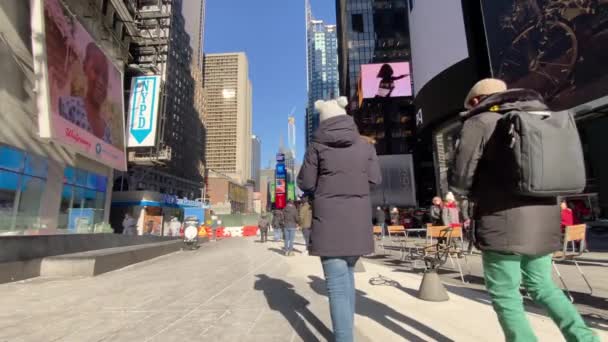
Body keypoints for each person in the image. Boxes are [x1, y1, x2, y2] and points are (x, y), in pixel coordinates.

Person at [450, 78, 597, 342]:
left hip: (502, 222)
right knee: (543, 286)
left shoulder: (479, 121)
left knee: (506, 294)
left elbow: (460, 178)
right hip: (544, 221)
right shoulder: (542, 117)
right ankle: (585, 339)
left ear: (476, 100)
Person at [298, 97, 381, 342]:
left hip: (329, 223)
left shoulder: (316, 146)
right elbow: (375, 180)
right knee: (348, 280)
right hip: (357, 223)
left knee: (336, 287)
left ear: (323, 120)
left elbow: (305, 183)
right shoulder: (366, 146)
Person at [59, 43, 112, 144]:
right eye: (96, 71)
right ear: (85, 67)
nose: (101, 82)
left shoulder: (107, 132)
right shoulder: (68, 107)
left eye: (105, 77)